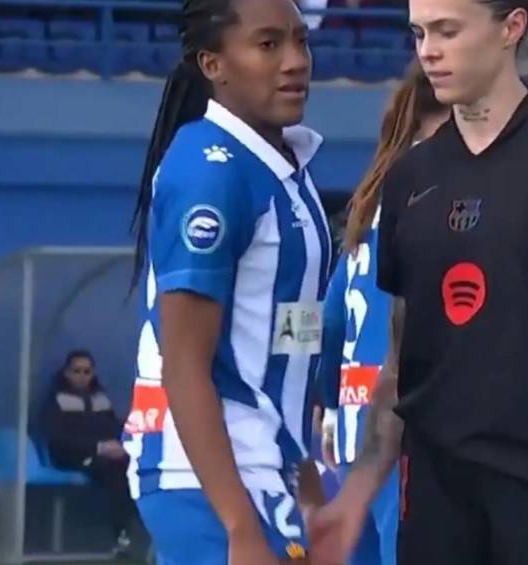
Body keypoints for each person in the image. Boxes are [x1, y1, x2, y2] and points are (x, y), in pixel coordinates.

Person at [309, 0, 528, 564]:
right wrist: (356, 495)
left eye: (447, 31)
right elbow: (400, 362)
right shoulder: (410, 179)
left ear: (511, 27)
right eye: (418, 33)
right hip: (436, 502)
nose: (428, 51)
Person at [122, 0, 330, 563]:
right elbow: (184, 362)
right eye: (268, 45)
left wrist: (302, 466)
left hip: (269, 465)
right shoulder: (208, 172)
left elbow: (294, 330)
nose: (295, 61)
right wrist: (237, 525)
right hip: (208, 477)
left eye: (299, 42)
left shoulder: (287, 168)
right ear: (213, 63)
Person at [316, 60, 448, 565]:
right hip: (410, 437)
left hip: (356, 435)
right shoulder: (444, 194)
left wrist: (330, 406)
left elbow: (330, 321)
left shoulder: (369, 206)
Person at [42, 350, 133, 556]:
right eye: (77, 371)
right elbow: (58, 439)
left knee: (132, 466)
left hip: (108, 455)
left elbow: (115, 427)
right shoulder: (56, 401)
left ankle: (140, 535)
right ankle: (121, 534)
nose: (82, 376)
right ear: (66, 372)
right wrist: (98, 448)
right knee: (115, 470)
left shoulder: (101, 398)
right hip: (70, 457)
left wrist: (122, 445)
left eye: (87, 371)